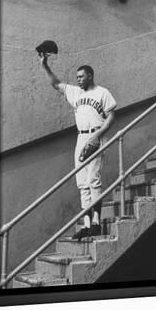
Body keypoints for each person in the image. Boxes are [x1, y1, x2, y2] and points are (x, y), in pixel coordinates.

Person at [40, 58, 116, 239]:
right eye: (77, 77)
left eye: (81, 76)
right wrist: (44, 65)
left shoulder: (102, 92)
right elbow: (56, 83)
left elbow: (111, 116)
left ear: (90, 76)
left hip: (96, 135)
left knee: (93, 180)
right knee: (82, 183)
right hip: (81, 137)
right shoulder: (76, 93)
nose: (78, 79)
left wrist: (97, 136)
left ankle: (97, 222)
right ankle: (87, 224)